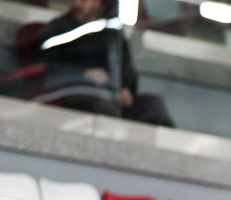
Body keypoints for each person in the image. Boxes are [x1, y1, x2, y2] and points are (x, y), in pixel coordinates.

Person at [35, 0, 174, 126]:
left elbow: (126, 64)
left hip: (112, 94)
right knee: (103, 106)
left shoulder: (108, 31)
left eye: (83, 1)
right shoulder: (57, 29)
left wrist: (126, 87)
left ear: (96, 3)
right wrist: (83, 74)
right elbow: (45, 64)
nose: (77, 4)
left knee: (153, 105)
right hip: (76, 91)